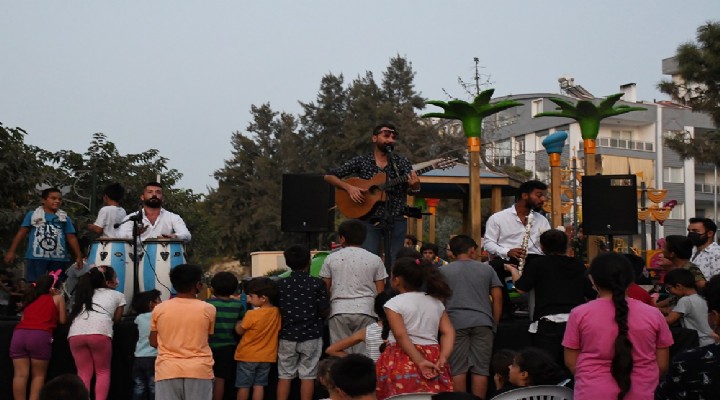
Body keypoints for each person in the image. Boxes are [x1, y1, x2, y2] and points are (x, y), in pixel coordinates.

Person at [562, 253, 673, 400]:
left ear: (592, 280)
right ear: (631, 279)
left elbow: (571, 362)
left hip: (592, 392)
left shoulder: (579, 314)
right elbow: (662, 366)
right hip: (643, 392)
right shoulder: (654, 314)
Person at [324, 123, 421, 264]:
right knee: (369, 260)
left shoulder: (400, 162)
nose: (390, 139)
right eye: (386, 135)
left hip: (396, 218)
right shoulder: (362, 161)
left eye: (393, 137)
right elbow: (329, 176)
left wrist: (415, 187)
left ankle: (392, 286)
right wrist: (349, 188)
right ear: (374, 138)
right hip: (367, 219)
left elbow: (410, 190)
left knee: (395, 261)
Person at [505, 229, 594, 367]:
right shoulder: (577, 264)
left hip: (548, 322)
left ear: (542, 246)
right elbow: (591, 292)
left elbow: (520, 289)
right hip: (575, 321)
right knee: (575, 366)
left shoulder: (538, 263)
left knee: (546, 366)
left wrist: (513, 271)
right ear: (566, 246)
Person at [375, 257, 455, 399]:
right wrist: (443, 357)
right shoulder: (436, 302)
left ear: (397, 280)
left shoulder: (393, 304)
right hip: (434, 357)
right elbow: (448, 332)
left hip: (402, 356)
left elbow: (400, 335)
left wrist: (420, 361)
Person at [440, 235, 502, 399]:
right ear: (472, 250)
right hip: (483, 322)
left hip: (454, 324)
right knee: (481, 369)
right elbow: (497, 297)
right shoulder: (487, 269)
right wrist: (494, 322)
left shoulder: (443, 271)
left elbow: (438, 301)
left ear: (452, 253)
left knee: (458, 368)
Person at [483, 180, 551, 318]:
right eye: (539, 195)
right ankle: (504, 311)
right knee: (493, 268)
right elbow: (488, 243)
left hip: (534, 259)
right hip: (507, 258)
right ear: (525, 196)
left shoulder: (542, 219)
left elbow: (547, 243)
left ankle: (543, 311)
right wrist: (507, 251)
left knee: (548, 267)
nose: (543, 199)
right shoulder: (498, 218)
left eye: (544, 196)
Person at [320, 219, 387, 355]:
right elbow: (381, 291)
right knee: (363, 355)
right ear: (364, 237)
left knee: (339, 352)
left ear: (342, 238)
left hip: (338, 311)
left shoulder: (331, 259)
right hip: (366, 310)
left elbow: (325, 288)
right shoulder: (375, 259)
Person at [150, 264, 215, 400]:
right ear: (198, 285)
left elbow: (153, 341)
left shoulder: (159, 309)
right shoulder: (208, 309)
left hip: (167, 369)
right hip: (199, 369)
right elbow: (208, 336)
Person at [277, 245, 330, 400]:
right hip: (311, 335)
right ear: (309, 262)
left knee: (284, 375)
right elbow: (324, 310)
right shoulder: (316, 283)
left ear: (287, 263)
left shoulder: (281, 284)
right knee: (308, 375)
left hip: (287, 336)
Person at [656, 275, 720, 399]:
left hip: (701, 344)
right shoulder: (698, 299)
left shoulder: (688, 362)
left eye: (670, 288)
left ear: (714, 317)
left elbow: (668, 321)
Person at [68, 266, 126, 400]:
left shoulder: (84, 294)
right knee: (102, 371)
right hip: (100, 332)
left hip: (75, 334)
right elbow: (117, 319)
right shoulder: (118, 295)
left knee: (83, 372)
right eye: (115, 277)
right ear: (109, 281)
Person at [4, 187, 84, 282]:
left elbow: (71, 238)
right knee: (34, 284)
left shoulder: (64, 218)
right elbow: (21, 233)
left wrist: (78, 256)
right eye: (53, 198)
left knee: (56, 285)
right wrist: (11, 251)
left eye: (59, 199)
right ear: (43, 200)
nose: (57, 201)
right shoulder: (32, 215)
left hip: (58, 258)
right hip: (36, 256)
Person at [9, 273, 66, 400]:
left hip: (19, 334)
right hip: (40, 335)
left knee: (19, 375)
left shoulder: (30, 297)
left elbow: (23, 318)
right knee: (38, 376)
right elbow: (62, 320)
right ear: (54, 288)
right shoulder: (57, 298)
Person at [234, 277, 281, 400]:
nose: (249, 299)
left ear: (263, 298)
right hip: (267, 357)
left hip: (248, 356)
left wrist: (238, 323)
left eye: (251, 296)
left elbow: (240, 330)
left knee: (243, 386)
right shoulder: (276, 312)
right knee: (259, 385)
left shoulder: (252, 314)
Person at [325, 291, 398, 362]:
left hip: (373, 373)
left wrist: (360, 362)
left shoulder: (367, 331)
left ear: (375, 310)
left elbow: (331, 350)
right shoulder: (405, 330)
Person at [206, 271, 244, 400]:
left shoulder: (207, 305)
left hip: (207, 346)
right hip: (228, 348)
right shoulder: (238, 305)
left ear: (212, 289)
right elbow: (241, 324)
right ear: (234, 289)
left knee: (206, 378)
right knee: (220, 379)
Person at [118, 182, 191, 242]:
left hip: (164, 258)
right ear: (142, 197)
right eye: (150, 192)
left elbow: (187, 235)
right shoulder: (131, 218)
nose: (154, 195)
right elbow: (120, 237)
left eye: (158, 192)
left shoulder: (173, 217)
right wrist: (135, 233)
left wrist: (175, 236)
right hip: (136, 258)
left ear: (162, 198)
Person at [664, 268, 718, 347]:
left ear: (678, 286)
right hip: (712, 340)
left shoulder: (686, 300)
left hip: (699, 342)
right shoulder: (703, 297)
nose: (670, 292)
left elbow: (668, 321)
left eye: (669, 288)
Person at [131, 289, 162, 400]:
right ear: (151, 304)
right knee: (154, 387)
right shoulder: (159, 317)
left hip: (139, 357)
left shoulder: (138, 318)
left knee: (139, 387)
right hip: (154, 357)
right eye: (159, 300)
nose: (161, 303)